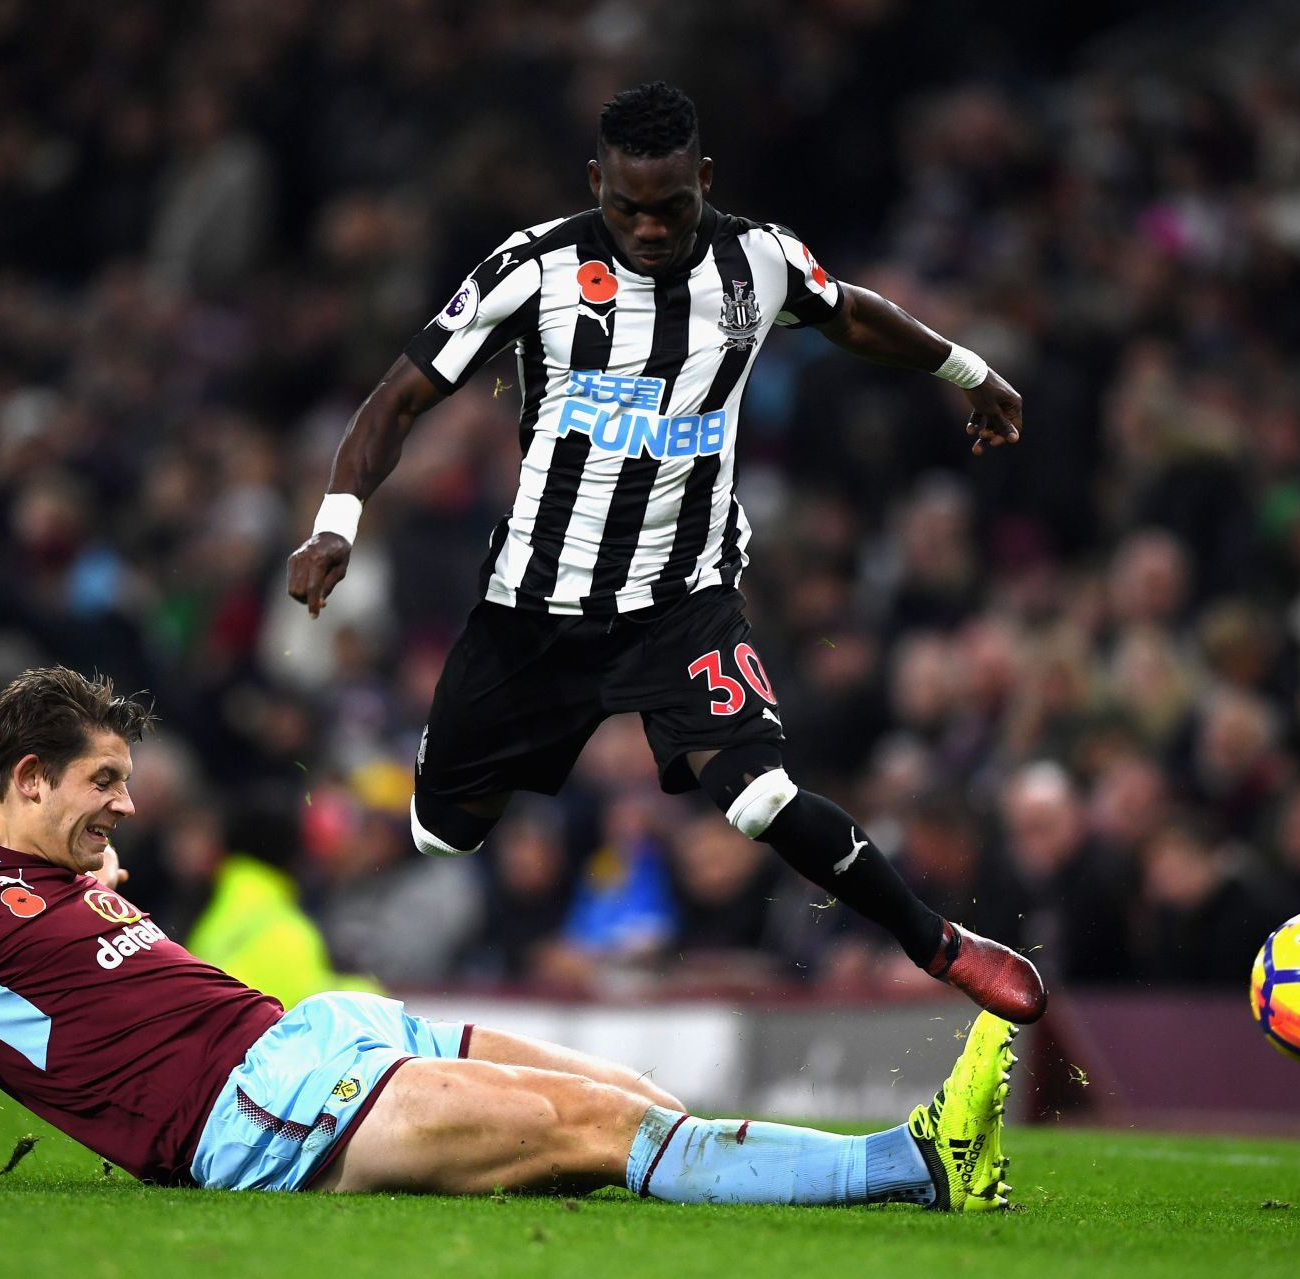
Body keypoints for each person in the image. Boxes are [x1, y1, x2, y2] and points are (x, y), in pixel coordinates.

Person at [0, 666, 1020, 1210]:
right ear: (24, 778)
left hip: (323, 1035)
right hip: (261, 1111)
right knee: (600, 1136)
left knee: (640, 1100)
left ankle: (885, 1168)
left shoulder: (66, 873)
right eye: (99, 783)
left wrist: (97, 868)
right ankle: (916, 1160)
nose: (125, 803)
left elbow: (94, 972)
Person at [285, 82, 1044, 1024]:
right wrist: (336, 524)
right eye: (626, 207)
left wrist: (968, 372)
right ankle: (467, 764)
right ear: (595, 181)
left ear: (705, 180)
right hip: (534, 606)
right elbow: (398, 397)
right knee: (442, 835)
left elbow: (849, 312)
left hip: (683, 597)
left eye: (671, 206)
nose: (648, 227)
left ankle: (940, 943)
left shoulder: (758, 261)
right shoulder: (532, 268)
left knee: (760, 797)